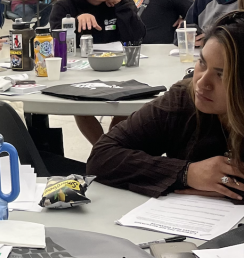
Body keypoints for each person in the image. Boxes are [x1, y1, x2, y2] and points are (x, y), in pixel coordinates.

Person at [87, 11, 244, 199]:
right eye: (202, 63)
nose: (202, 83)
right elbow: (102, 156)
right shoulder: (183, 99)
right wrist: (187, 173)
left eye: (221, 75)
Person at [50, 0, 146, 145]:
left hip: (119, 69)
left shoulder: (122, 3)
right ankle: (104, 149)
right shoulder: (65, 5)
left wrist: (122, 7)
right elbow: (56, 39)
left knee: (128, 102)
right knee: (78, 103)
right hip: (80, 72)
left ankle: (108, 149)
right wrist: (74, 22)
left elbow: (137, 37)